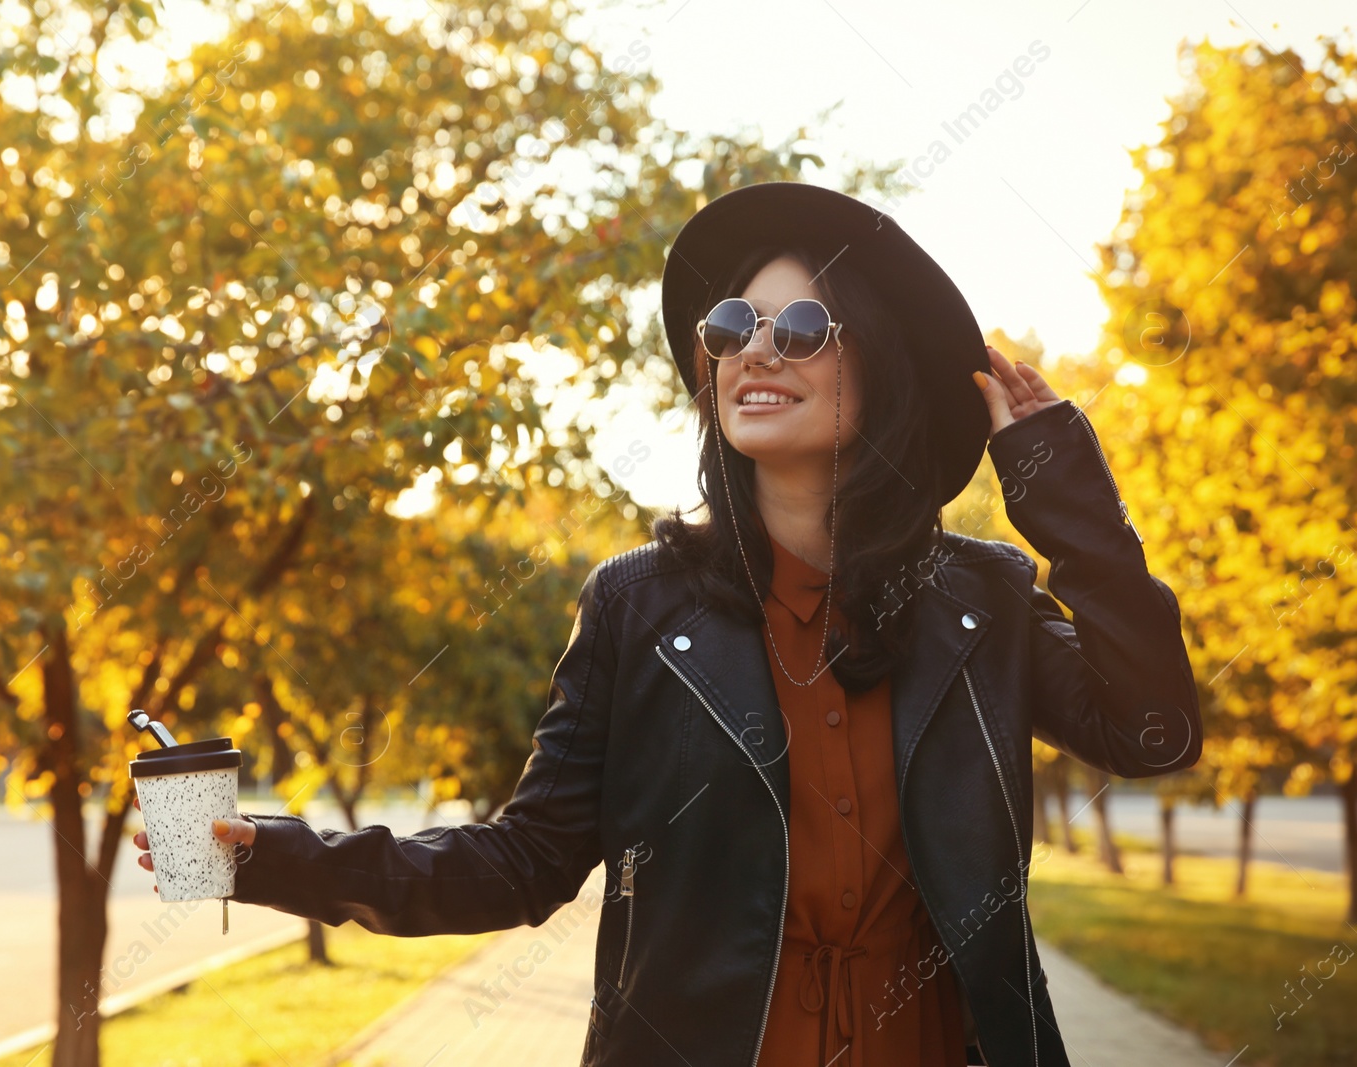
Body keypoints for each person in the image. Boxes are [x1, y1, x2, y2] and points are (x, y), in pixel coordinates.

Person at [135, 181, 1203, 1066]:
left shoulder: (981, 598)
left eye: (800, 328)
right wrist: (257, 857)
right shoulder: (635, 603)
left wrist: (1059, 487)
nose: (755, 351)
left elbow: (1152, 729)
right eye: (732, 325)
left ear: (875, 367)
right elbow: (521, 861)